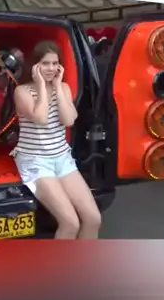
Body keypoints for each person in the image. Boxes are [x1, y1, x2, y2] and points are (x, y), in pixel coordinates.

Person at [11, 40, 102, 239]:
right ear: (35, 66)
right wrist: (41, 86)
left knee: (93, 219)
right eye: (45, 63)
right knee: (70, 223)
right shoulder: (22, 91)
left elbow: (69, 120)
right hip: (36, 162)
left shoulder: (64, 88)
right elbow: (41, 117)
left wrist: (58, 87)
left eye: (55, 63)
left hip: (62, 159)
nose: (51, 68)